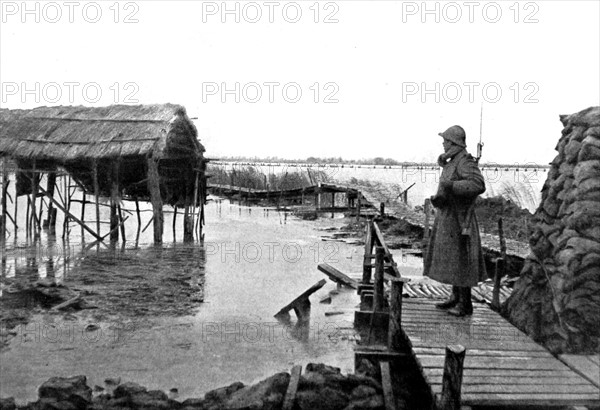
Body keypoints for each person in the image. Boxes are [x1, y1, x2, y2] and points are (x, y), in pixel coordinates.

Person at [423, 125, 487, 317]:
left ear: (454, 143)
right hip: (449, 216)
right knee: (453, 259)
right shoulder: (454, 161)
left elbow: (478, 184)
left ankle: (465, 304)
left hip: (460, 219)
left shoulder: (465, 161)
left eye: (445, 141)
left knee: (462, 260)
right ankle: (455, 296)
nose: (443, 144)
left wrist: (451, 185)